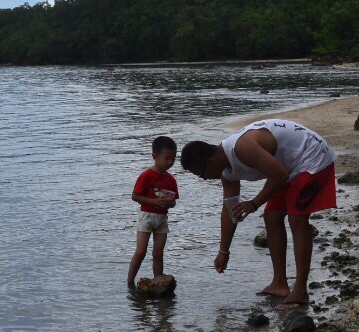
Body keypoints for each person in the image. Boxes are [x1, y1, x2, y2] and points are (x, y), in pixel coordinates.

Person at [179, 119, 337, 310]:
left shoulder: (241, 148)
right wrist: (223, 251)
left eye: (201, 174)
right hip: (286, 167)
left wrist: (254, 203)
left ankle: (301, 290)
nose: (204, 179)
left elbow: (279, 176)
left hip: (311, 155)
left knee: (297, 217)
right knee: (271, 217)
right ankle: (279, 284)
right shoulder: (227, 171)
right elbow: (230, 211)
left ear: (209, 161)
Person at [128, 135, 179, 288]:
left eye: (173, 159)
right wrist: (154, 202)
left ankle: (158, 282)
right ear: (155, 156)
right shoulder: (146, 176)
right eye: (167, 158)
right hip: (147, 216)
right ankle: (130, 282)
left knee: (158, 254)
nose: (170, 162)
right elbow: (135, 196)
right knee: (141, 251)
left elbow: (174, 202)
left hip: (162, 219)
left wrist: (169, 203)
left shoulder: (171, 179)